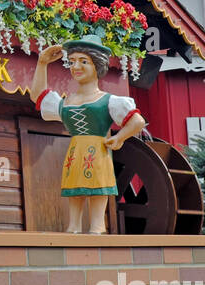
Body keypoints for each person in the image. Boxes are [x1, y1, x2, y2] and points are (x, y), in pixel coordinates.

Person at [30, 33, 146, 235]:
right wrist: (42, 63)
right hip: (75, 151)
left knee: (97, 187)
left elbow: (137, 121)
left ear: (98, 66)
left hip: (98, 149)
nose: (76, 67)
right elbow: (37, 96)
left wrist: (119, 137)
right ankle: (73, 225)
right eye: (73, 61)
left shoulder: (108, 100)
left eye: (84, 61)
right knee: (75, 188)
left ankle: (97, 225)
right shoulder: (66, 101)